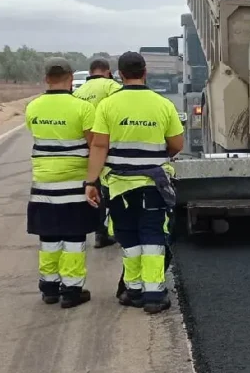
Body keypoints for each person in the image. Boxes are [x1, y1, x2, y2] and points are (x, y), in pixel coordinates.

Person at [84, 52, 184, 314]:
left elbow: (99, 145)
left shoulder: (108, 105)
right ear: (145, 72)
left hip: (118, 186)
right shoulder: (162, 104)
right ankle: (154, 294)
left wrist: (91, 181)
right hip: (153, 185)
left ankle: (134, 290)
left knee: (128, 236)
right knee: (152, 235)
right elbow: (176, 144)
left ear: (119, 74)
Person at [25, 58, 97, 308]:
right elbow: (93, 144)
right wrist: (94, 179)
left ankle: (49, 288)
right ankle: (72, 291)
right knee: (74, 238)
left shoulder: (33, 107)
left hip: (43, 184)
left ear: (46, 79)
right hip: (74, 184)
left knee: (48, 238)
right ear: (69, 79)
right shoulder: (83, 108)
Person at [72, 57, 122, 249]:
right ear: (108, 71)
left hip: (85, 146)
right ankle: (109, 230)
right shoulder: (111, 86)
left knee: (95, 188)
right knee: (111, 189)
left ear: (90, 72)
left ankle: (97, 230)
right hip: (106, 145)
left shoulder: (78, 92)